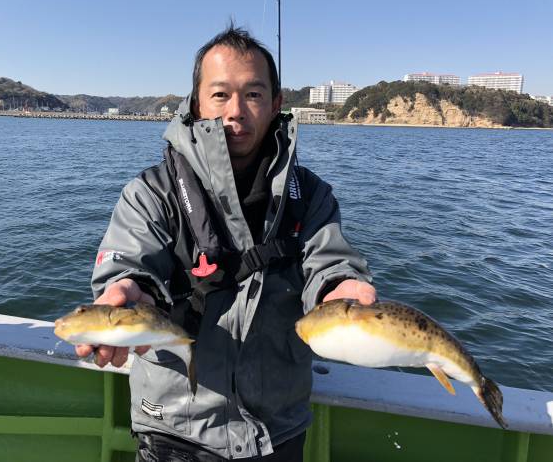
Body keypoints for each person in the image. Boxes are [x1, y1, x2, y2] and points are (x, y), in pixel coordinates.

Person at [76, 25, 375, 461]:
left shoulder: (312, 197)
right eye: (220, 95)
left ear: (276, 104)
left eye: (253, 94)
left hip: (277, 428)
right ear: (196, 103)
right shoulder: (151, 193)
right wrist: (128, 290)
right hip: (173, 426)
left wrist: (339, 290)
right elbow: (128, 263)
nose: (236, 111)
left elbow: (329, 263)